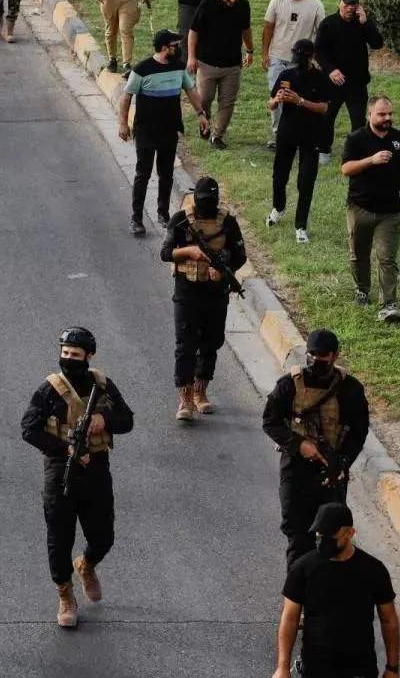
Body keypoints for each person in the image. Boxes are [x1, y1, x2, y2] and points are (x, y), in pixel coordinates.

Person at [21, 327, 135, 629]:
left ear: (89, 356)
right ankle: (65, 595)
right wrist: (67, 448)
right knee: (59, 539)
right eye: (65, 353)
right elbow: (29, 429)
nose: (69, 359)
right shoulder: (48, 389)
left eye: (75, 355)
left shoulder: (102, 384)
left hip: (97, 468)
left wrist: (103, 419)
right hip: (61, 471)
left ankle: (86, 565)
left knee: (103, 537)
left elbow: (127, 420)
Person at [262, 330, 370, 567]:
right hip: (296, 469)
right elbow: (270, 421)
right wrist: (300, 445)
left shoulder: (349, 389)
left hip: (331, 472)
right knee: (297, 534)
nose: (317, 361)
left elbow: (359, 431)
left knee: (333, 537)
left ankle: (326, 594)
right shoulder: (290, 385)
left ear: (335, 356)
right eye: (313, 355)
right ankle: (297, 595)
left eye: (324, 356)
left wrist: (342, 462)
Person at [273, 502, 400, 678]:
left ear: (350, 533)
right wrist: (282, 668)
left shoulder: (373, 570)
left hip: (360, 668)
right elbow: (289, 619)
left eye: (330, 538)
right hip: (317, 670)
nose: (323, 542)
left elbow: (389, 620)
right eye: (319, 537)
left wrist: (393, 668)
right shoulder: (303, 569)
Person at [158, 176, 247, 422]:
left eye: (211, 200)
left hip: (215, 294)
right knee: (185, 346)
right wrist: (189, 252)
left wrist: (223, 269)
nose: (207, 205)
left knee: (211, 343)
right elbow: (165, 253)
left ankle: (201, 392)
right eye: (203, 200)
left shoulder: (227, 222)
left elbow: (240, 255)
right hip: (187, 293)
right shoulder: (181, 220)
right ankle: (185, 398)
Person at [118, 29, 209, 236]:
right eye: (176, 45)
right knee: (143, 174)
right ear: (164, 47)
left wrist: (201, 113)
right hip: (146, 132)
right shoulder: (142, 69)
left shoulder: (179, 68)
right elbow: (126, 97)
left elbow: (191, 91)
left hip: (169, 130)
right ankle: (137, 218)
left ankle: (163, 213)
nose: (179, 48)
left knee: (166, 174)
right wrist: (123, 124)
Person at [341, 97, 400, 323]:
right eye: (381, 114)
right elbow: (346, 169)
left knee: (387, 258)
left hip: (391, 212)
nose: (387, 118)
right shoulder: (356, 139)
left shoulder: (399, 140)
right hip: (360, 208)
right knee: (359, 254)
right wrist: (372, 160)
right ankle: (362, 289)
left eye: (390, 114)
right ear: (370, 115)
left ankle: (388, 305)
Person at [267, 38, 332, 244]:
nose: (299, 59)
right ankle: (278, 207)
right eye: (297, 55)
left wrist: (300, 101)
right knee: (279, 176)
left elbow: (324, 108)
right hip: (287, 132)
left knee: (306, 181)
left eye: (303, 56)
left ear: (311, 56)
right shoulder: (286, 75)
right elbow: (271, 104)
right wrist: (277, 100)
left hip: (311, 134)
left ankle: (301, 226)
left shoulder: (320, 78)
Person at [316, 0, 385, 165]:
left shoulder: (362, 23)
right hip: (333, 82)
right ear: (340, 3)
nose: (350, 8)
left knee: (358, 120)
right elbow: (319, 52)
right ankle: (324, 149)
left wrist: (365, 22)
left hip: (356, 82)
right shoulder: (328, 24)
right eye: (346, 4)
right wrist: (331, 70)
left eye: (353, 4)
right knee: (327, 116)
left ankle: (355, 154)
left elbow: (377, 43)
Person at [262, 0, 326, 148]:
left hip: (300, 62)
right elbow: (268, 27)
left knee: (299, 98)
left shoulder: (315, 5)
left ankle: (298, 134)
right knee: (278, 96)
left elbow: (321, 35)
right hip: (277, 58)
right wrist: (264, 53)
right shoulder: (276, 1)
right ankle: (277, 135)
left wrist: (316, 59)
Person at [186, 0, 252, 150]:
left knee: (227, 102)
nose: (232, 1)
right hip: (207, 63)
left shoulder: (244, 6)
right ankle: (205, 122)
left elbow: (246, 30)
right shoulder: (207, 5)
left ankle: (218, 135)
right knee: (205, 98)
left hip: (232, 65)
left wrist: (250, 50)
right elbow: (193, 32)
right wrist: (191, 57)